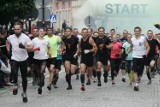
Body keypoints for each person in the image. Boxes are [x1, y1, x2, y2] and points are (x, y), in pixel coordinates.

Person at [6, 22, 33, 102]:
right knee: (14, 73)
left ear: (21, 29)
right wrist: (8, 50)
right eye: (15, 29)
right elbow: (7, 42)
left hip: (24, 59)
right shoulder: (11, 37)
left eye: (18, 29)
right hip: (15, 58)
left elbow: (31, 48)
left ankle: (24, 93)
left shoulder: (25, 37)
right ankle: (16, 85)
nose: (16, 31)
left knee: (24, 78)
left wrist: (24, 47)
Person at [126, 26, 150, 91]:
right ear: (134, 32)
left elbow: (148, 47)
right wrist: (127, 52)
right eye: (135, 31)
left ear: (140, 32)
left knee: (140, 71)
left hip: (142, 57)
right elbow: (131, 47)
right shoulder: (132, 39)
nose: (137, 32)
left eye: (138, 31)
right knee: (135, 70)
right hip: (135, 56)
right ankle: (136, 84)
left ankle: (139, 77)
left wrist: (146, 54)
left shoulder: (143, 39)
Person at [32, 28, 51, 94]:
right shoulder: (34, 40)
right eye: (40, 31)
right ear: (38, 33)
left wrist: (49, 52)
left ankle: (40, 87)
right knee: (39, 73)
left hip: (44, 58)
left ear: (44, 32)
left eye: (43, 31)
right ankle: (41, 82)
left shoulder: (46, 41)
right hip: (36, 58)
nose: (42, 32)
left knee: (42, 71)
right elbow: (31, 48)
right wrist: (35, 49)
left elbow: (49, 47)